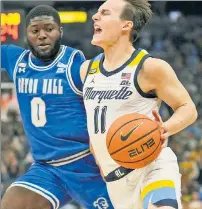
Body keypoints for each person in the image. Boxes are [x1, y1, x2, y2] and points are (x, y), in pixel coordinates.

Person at [80, 0, 198, 208]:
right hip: (115, 181)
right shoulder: (86, 70)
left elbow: (187, 108)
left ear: (126, 25)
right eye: (97, 12)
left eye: (105, 13)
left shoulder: (150, 68)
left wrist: (165, 129)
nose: (95, 17)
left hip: (151, 166)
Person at [1, 5, 113, 209]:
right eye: (35, 31)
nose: (42, 35)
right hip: (47, 169)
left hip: (87, 166)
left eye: (49, 29)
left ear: (60, 31)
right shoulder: (16, 60)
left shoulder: (76, 64)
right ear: (27, 35)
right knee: (12, 203)